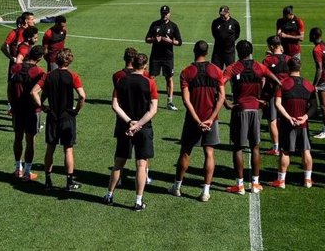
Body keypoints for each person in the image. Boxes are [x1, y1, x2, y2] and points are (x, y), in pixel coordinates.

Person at [223, 40, 282, 195]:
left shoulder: (233, 68)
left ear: (237, 52)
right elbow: (277, 81)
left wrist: (226, 103)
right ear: (250, 52)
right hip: (255, 110)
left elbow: (219, 84)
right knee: (255, 147)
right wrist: (265, 99)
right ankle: (255, 184)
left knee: (238, 147)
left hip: (239, 110)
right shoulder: (259, 66)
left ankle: (240, 185)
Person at [169, 41, 225, 202]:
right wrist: (211, 118)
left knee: (186, 151)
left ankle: (177, 187)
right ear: (207, 52)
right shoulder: (216, 71)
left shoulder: (187, 72)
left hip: (193, 120)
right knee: (209, 153)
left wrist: (197, 120)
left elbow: (186, 100)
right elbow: (221, 97)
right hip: (211, 119)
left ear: (194, 51)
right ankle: (205, 192)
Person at [103, 53, 158, 211]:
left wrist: (129, 122)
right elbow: (152, 110)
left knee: (118, 163)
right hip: (144, 128)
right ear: (145, 66)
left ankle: (109, 195)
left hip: (124, 127)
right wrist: (138, 124)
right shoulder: (150, 83)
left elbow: (115, 105)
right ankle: (138, 201)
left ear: (132, 64)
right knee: (141, 165)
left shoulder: (121, 80)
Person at [31, 48, 86, 191]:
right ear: (70, 60)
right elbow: (82, 96)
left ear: (56, 60)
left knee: (50, 148)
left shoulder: (48, 76)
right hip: (67, 116)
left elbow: (34, 92)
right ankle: (69, 182)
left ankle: (48, 181)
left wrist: (42, 107)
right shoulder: (73, 76)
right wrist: (76, 110)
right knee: (68, 149)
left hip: (52, 115)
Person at [268, 57, 316, 189]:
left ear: (288, 68)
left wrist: (289, 118)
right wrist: (305, 117)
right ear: (300, 68)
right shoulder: (309, 85)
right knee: (306, 150)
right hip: (303, 124)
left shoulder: (282, 84)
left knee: (285, 151)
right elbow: (314, 106)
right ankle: (307, 180)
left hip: (287, 124)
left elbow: (277, 104)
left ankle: (281, 180)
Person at [8, 45, 45, 181]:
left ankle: (18, 169)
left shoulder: (16, 67)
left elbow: (9, 88)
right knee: (30, 141)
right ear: (40, 58)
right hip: (32, 110)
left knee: (18, 138)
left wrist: (12, 105)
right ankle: (27, 172)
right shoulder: (39, 72)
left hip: (17, 108)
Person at [145, 5, 182, 111]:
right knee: (151, 78)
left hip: (168, 57)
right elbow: (147, 39)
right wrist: (154, 40)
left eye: (166, 13)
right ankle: (151, 100)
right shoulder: (154, 24)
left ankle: (169, 102)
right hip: (155, 56)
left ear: (169, 13)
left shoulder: (173, 26)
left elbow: (179, 42)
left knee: (169, 78)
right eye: (163, 13)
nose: (164, 15)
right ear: (160, 13)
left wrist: (170, 41)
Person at [262, 35, 291, 156]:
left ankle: (276, 148)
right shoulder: (289, 59)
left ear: (272, 46)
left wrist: (261, 94)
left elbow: (263, 79)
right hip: (288, 93)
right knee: (285, 119)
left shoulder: (268, 60)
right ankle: (288, 144)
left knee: (272, 120)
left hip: (273, 94)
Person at [309, 27, 325, 139]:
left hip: (324, 79)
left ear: (314, 36)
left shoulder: (317, 50)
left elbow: (319, 69)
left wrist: (315, 84)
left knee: (324, 106)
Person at [211, 5, 240, 69]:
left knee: (230, 71)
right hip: (217, 52)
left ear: (228, 13)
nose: (222, 16)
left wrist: (230, 41)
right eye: (221, 14)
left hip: (229, 52)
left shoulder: (234, 23)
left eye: (224, 14)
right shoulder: (215, 22)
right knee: (216, 71)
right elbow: (214, 33)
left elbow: (237, 35)